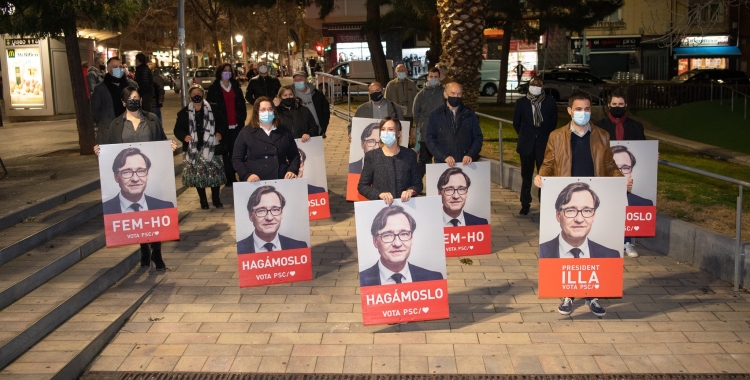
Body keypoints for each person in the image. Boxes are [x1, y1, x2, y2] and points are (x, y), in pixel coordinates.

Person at [533, 91, 630, 318]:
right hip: (568, 197)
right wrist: (541, 176)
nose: (583, 113)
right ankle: (567, 294)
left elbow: (610, 165)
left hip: (592, 196)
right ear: (569, 111)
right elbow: (548, 164)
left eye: (587, 109)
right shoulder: (556, 136)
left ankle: (592, 295)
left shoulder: (602, 136)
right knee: (567, 248)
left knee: (591, 251)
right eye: (578, 109)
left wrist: (620, 179)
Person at [94, 87, 177, 272]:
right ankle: (144, 249)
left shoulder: (152, 119)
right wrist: (100, 152)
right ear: (123, 102)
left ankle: (156, 251)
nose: (134, 101)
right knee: (137, 215)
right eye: (130, 99)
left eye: (137, 98)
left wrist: (168, 145)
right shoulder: (116, 124)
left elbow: (161, 140)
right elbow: (109, 149)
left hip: (150, 174)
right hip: (129, 177)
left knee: (153, 213)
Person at [598, 92, 648, 258]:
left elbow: (642, 150)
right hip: (606, 174)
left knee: (626, 207)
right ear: (608, 105)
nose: (617, 107)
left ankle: (626, 242)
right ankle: (608, 240)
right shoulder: (599, 127)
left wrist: (651, 154)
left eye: (620, 104)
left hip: (626, 178)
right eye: (614, 104)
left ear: (625, 105)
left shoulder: (636, 127)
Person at [359, 206, 443, 286]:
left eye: (404, 234)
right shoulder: (361, 281)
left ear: (412, 238)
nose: (397, 243)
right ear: (375, 241)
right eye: (387, 235)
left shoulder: (434, 278)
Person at [174, 84, 228, 210]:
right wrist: (184, 136)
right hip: (195, 149)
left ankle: (216, 199)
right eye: (193, 94)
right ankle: (203, 201)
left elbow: (222, 123)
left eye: (199, 93)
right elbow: (178, 129)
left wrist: (220, 132)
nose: (196, 96)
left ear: (203, 94)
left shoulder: (213, 108)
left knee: (214, 175)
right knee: (199, 177)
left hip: (211, 147)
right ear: (189, 96)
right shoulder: (184, 112)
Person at [539, 182, 620, 259]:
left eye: (587, 210)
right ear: (558, 215)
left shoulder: (611, 256)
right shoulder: (541, 252)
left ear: (594, 215)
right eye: (570, 210)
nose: (579, 219)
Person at [513, 76, 558, 215]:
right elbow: (516, 123)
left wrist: (543, 136)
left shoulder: (550, 102)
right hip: (526, 144)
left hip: (543, 144)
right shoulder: (521, 102)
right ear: (529, 86)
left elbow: (553, 122)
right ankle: (525, 203)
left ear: (542, 86)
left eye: (538, 84)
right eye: (533, 84)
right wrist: (526, 135)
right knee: (526, 175)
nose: (535, 86)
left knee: (543, 175)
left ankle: (544, 203)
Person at [232, 97, 301, 182]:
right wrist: (246, 175)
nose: (267, 112)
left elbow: (294, 155)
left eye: (270, 109)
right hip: (255, 181)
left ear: (274, 112)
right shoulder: (246, 132)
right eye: (263, 109)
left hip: (281, 179)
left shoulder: (284, 131)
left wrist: (292, 170)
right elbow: (237, 159)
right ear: (256, 112)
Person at [357, 117, 422, 205]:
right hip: (381, 207)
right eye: (383, 129)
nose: (386, 133)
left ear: (399, 133)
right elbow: (362, 186)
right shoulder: (372, 156)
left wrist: (411, 191)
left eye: (390, 129)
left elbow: (418, 184)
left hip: (405, 207)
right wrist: (379, 194)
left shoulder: (409, 155)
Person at [207, 63, 247, 187]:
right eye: (225, 71)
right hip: (222, 126)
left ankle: (239, 173)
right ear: (220, 72)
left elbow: (241, 103)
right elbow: (210, 108)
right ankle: (229, 177)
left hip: (236, 124)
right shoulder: (214, 88)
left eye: (229, 71)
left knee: (237, 150)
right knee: (225, 152)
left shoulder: (235, 85)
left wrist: (242, 118)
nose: (227, 73)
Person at [425, 82, 483, 168]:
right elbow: (430, 140)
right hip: (443, 164)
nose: (456, 96)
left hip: (466, 165)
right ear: (445, 94)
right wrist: (443, 156)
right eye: (453, 93)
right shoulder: (435, 115)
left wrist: (470, 154)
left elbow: (478, 137)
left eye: (459, 94)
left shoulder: (470, 114)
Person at [102, 147, 175, 215]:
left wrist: (169, 147)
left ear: (147, 174)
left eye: (141, 171)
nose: (135, 179)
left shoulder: (165, 207)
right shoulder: (106, 209)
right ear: (116, 177)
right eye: (127, 172)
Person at [237, 185, 308, 253]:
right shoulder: (238, 249)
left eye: (275, 209)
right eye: (261, 211)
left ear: (281, 213)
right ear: (250, 216)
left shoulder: (299, 247)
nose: (269, 217)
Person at [412, 67, 444, 177]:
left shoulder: (445, 94)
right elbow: (415, 114)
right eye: (431, 77)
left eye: (436, 77)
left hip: (441, 135)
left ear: (440, 78)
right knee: (423, 161)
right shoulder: (420, 95)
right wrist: (422, 125)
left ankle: (440, 186)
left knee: (441, 160)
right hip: (425, 134)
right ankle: (417, 185)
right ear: (427, 77)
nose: (433, 79)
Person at [91, 57, 131, 144]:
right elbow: (95, 111)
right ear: (109, 69)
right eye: (115, 67)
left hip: (128, 129)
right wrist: (105, 120)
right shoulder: (100, 88)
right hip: (109, 129)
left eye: (120, 67)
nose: (119, 69)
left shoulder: (131, 86)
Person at [292, 71, 330, 138]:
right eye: (295, 80)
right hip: (298, 134)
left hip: (316, 132)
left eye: (300, 79)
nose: (298, 82)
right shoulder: (291, 95)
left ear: (306, 80)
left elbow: (325, 110)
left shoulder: (316, 94)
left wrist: (323, 126)